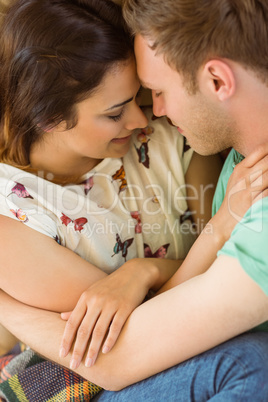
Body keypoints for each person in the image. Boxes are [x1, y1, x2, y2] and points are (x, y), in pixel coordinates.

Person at [0, 0, 268, 400]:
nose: (145, 116)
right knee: (249, 362)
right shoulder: (17, 218)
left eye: (143, 94)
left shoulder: (174, 140)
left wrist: (143, 272)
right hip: (93, 374)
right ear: (49, 120)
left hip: (166, 350)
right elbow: (129, 339)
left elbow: (183, 302)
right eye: (116, 111)